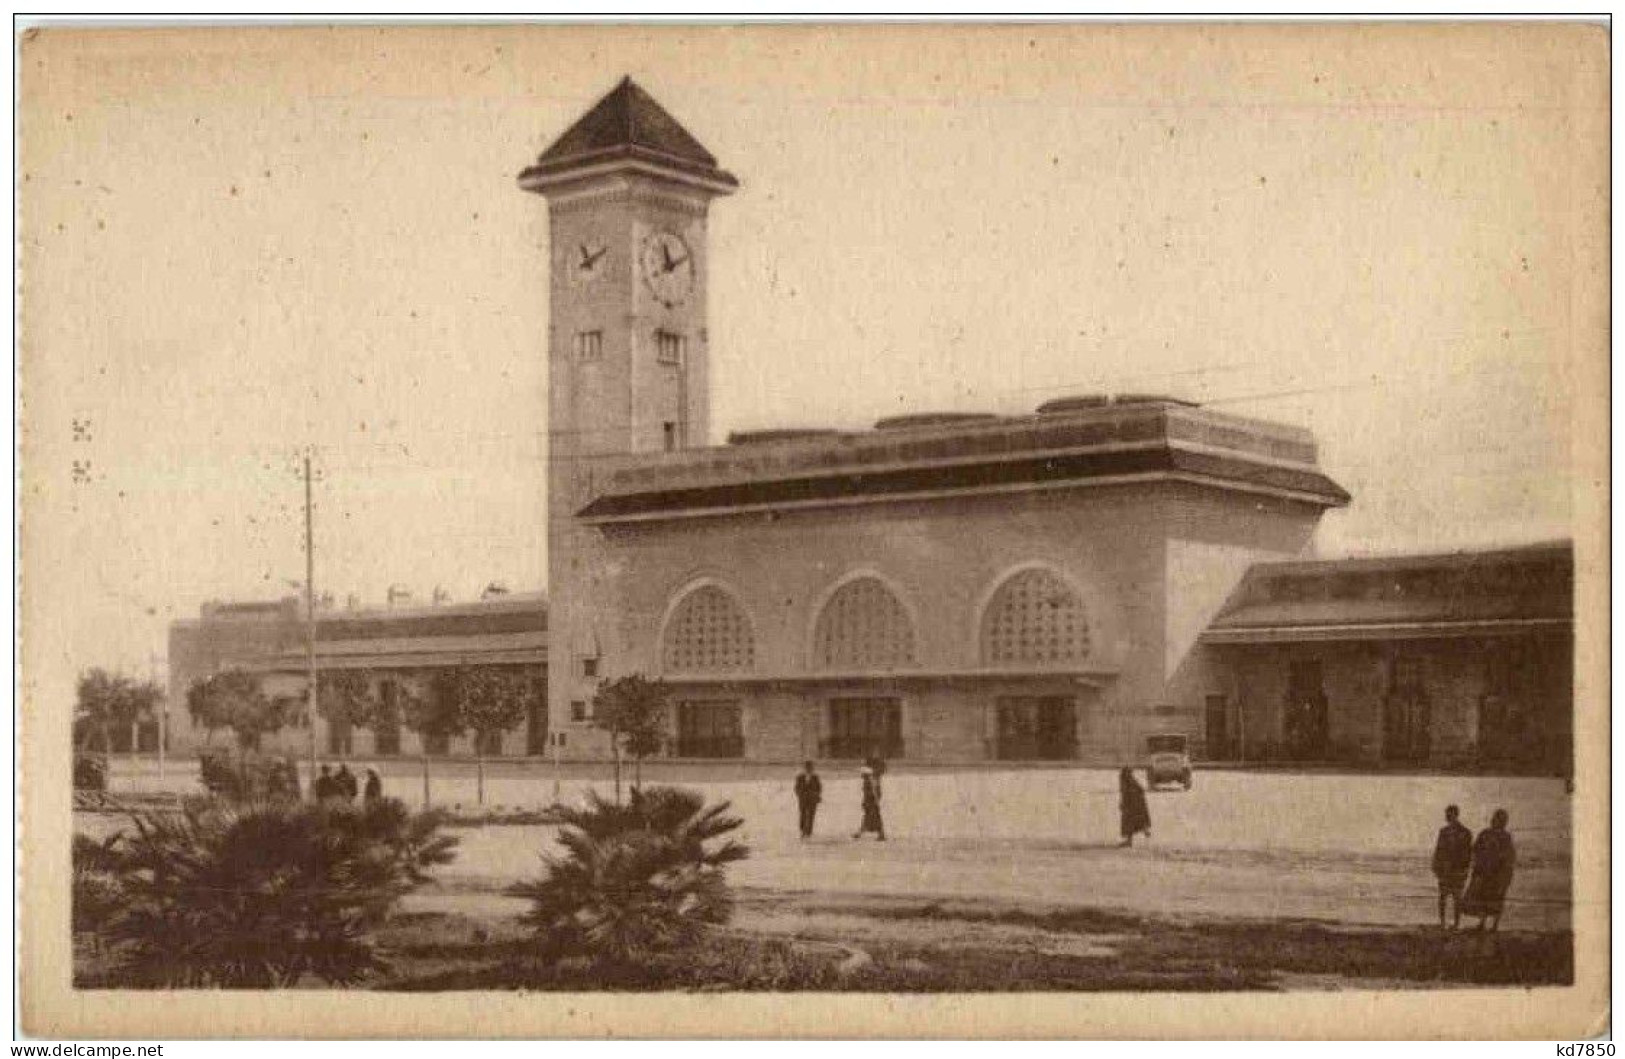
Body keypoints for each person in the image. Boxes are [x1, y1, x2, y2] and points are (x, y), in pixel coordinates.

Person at [1461, 808, 1516, 932]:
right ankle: (1482, 923)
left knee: (1496, 899)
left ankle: (1494, 925)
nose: (1494, 821)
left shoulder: (1505, 837)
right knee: (1483, 898)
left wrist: (1505, 874)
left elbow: (1509, 857)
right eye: (1495, 818)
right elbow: (1475, 849)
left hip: (1497, 874)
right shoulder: (1485, 833)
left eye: (1498, 819)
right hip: (1484, 873)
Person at [1431, 804, 1474, 930]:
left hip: (1458, 871)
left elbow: (1468, 854)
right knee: (1443, 897)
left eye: (1449, 814)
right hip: (1445, 870)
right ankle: (1442, 923)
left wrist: (1465, 870)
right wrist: (1436, 866)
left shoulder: (1465, 832)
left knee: (1457, 898)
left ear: (1455, 815)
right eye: (1446, 814)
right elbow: (1438, 850)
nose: (1447, 817)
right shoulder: (1443, 832)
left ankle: (1456, 923)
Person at [1118, 767, 1151, 847]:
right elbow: (1140, 791)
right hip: (1138, 806)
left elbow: (1125, 794)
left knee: (1128, 823)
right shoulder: (1133, 782)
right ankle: (1144, 829)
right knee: (1136, 820)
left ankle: (1129, 841)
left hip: (1130, 806)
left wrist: (1122, 803)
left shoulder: (1125, 781)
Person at [853, 764, 886, 841]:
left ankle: (860, 833)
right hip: (871, 803)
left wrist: (875, 801)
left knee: (871, 818)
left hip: (871, 803)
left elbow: (873, 793)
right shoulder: (870, 781)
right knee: (871, 818)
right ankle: (860, 833)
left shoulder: (869, 781)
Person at [794, 760, 823, 839]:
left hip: (812, 800)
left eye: (810, 768)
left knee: (811, 816)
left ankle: (809, 832)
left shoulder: (815, 777)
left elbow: (819, 788)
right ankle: (802, 830)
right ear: (805, 768)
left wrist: (816, 795)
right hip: (803, 799)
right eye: (807, 768)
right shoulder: (800, 777)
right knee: (803, 815)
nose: (809, 769)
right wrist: (800, 795)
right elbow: (796, 788)